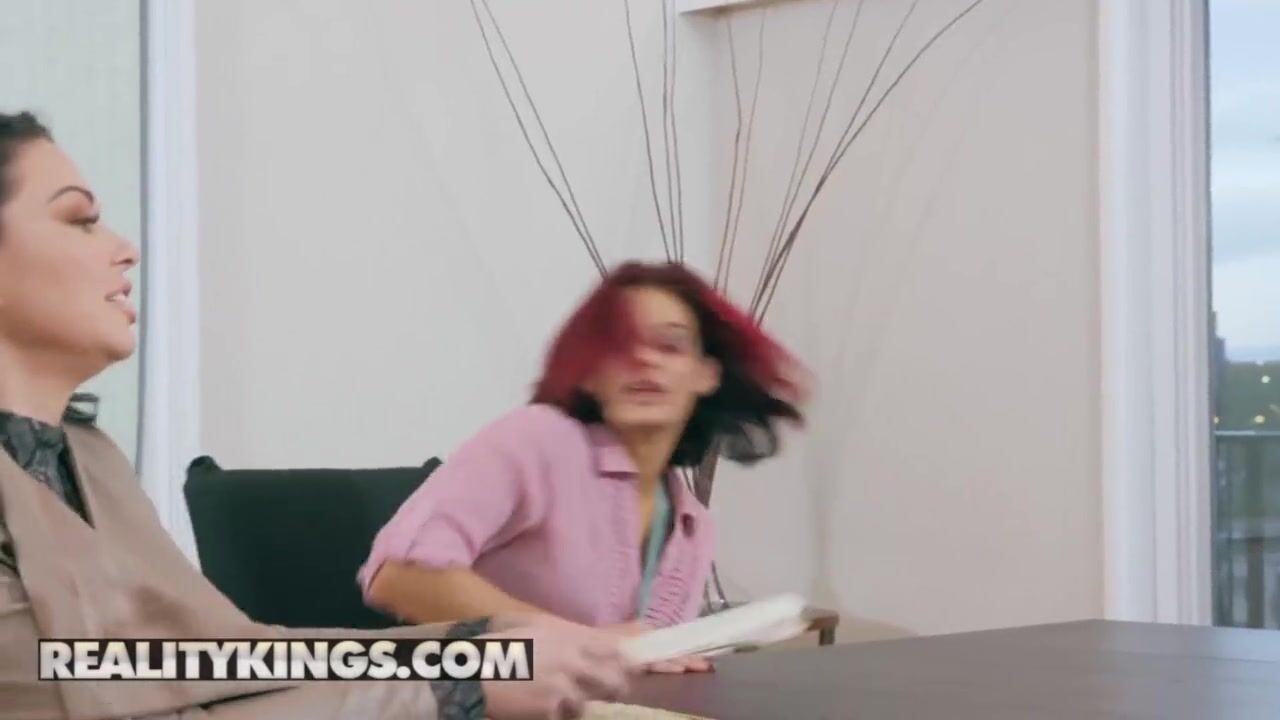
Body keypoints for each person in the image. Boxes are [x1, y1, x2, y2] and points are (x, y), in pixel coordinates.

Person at [0, 111, 632, 720]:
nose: (125, 249)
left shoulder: (90, 458)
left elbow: (224, 660)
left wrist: (482, 640)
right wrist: (462, 686)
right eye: (79, 220)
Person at [359, 261, 807, 672]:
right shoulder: (537, 439)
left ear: (707, 374)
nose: (643, 359)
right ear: (590, 374)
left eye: (670, 345)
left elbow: (634, 668)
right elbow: (398, 576)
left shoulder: (691, 525)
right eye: (620, 345)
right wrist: (580, 643)